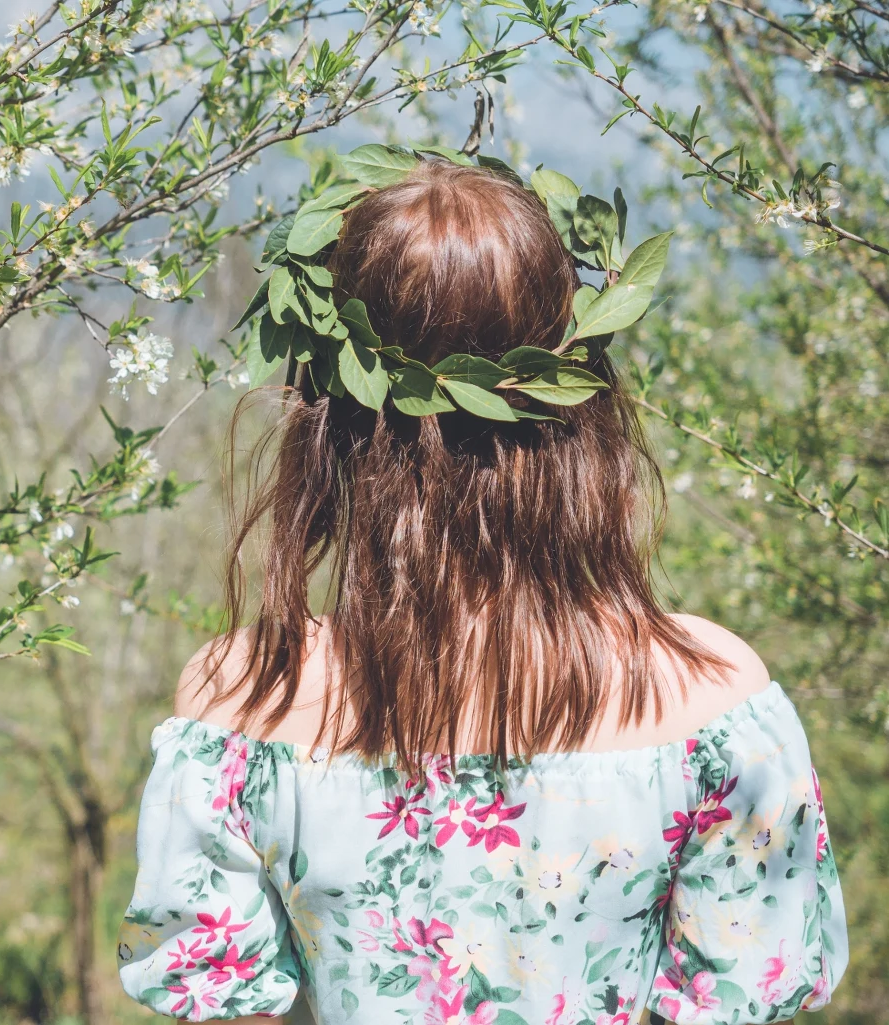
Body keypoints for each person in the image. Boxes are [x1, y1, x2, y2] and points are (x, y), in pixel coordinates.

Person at [115, 157, 848, 1024]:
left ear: (327, 407)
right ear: (579, 397)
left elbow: (226, 1003)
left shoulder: (241, 701)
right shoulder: (713, 700)